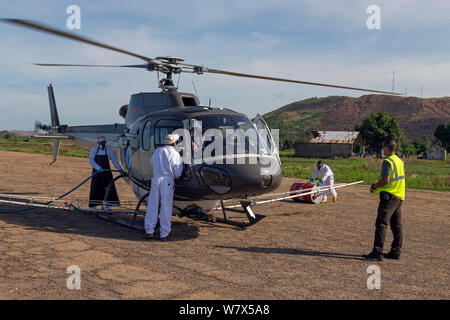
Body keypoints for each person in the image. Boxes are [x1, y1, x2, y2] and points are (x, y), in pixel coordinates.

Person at [363, 139, 405, 261]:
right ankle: (396, 251)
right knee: (397, 226)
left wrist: (374, 186)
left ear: (387, 147)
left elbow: (385, 180)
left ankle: (377, 251)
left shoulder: (388, 161)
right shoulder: (399, 161)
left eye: (383, 147)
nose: (383, 149)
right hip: (399, 196)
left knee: (381, 223)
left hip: (389, 196)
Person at [145, 133, 184, 240]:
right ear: (174, 143)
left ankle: (149, 230)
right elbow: (177, 174)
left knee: (152, 204)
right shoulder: (175, 154)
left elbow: (152, 162)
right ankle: (164, 233)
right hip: (167, 181)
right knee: (165, 207)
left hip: (156, 179)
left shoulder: (157, 151)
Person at [88, 136, 124, 211]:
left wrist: (120, 169)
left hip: (107, 173)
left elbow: (114, 160)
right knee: (96, 188)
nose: (103, 144)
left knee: (108, 188)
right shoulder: (94, 149)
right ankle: (93, 207)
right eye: (101, 142)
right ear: (98, 143)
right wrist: (98, 168)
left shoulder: (108, 149)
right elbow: (91, 160)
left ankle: (108, 207)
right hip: (97, 172)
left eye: (104, 142)